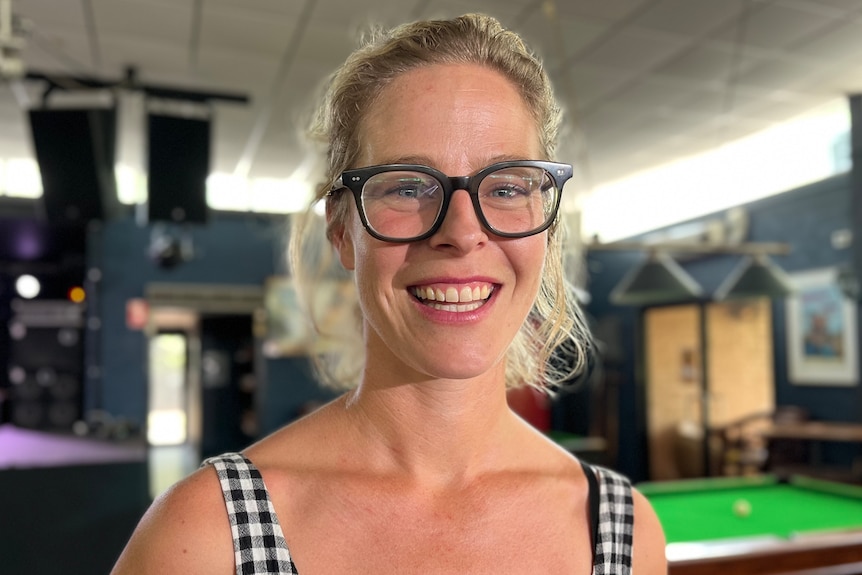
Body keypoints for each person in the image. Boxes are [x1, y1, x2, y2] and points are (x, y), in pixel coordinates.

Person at [111, 13, 666, 575]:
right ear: (341, 231)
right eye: (406, 186)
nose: (462, 231)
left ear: (545, 226)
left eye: (504, 187)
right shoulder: (206, 533)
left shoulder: (622, 528)